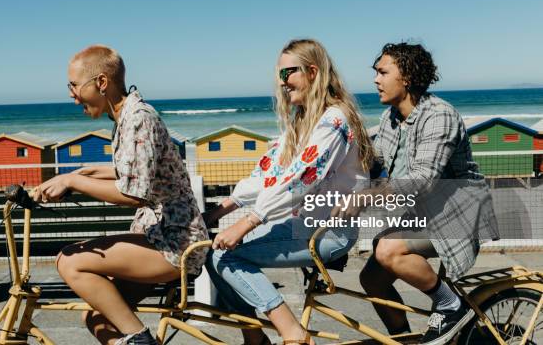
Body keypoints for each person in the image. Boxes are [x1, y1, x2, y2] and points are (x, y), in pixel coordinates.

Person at [32, 45, 209, 345]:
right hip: (158, 236)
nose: (71, 95)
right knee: (96, 317)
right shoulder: (125, 118)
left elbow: (133, 193)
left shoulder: (139, 118)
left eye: (74, 86)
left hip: (175, 243)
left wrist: (74, 181)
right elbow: (132, 171)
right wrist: (83, 173)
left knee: (69, 261)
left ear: (101, 83)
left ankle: (141, 340)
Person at [204, 39, 373, 345]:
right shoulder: (302, 120)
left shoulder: (334, 120)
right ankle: (254, 338)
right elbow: (268, 173)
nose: (282, 83)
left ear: (312, 72)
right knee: (211, 253)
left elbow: (299, 179)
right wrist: (218, 212)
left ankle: (292, 332)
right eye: (279, 76)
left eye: (288, 74)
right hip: (300, 226)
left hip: (328, 232)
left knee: (225, 259)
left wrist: (249, 221)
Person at [347, 43, 499, 345]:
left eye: (382, 72)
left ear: (406, 77)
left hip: (459, 213)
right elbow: (377, 166)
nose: (376, 80)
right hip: (424, 214)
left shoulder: (439, 115)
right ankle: (403, 339)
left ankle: (450, 305)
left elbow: (422, 180)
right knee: (372, 278)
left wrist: (365, 197)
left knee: (389, 250)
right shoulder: (390, 119)